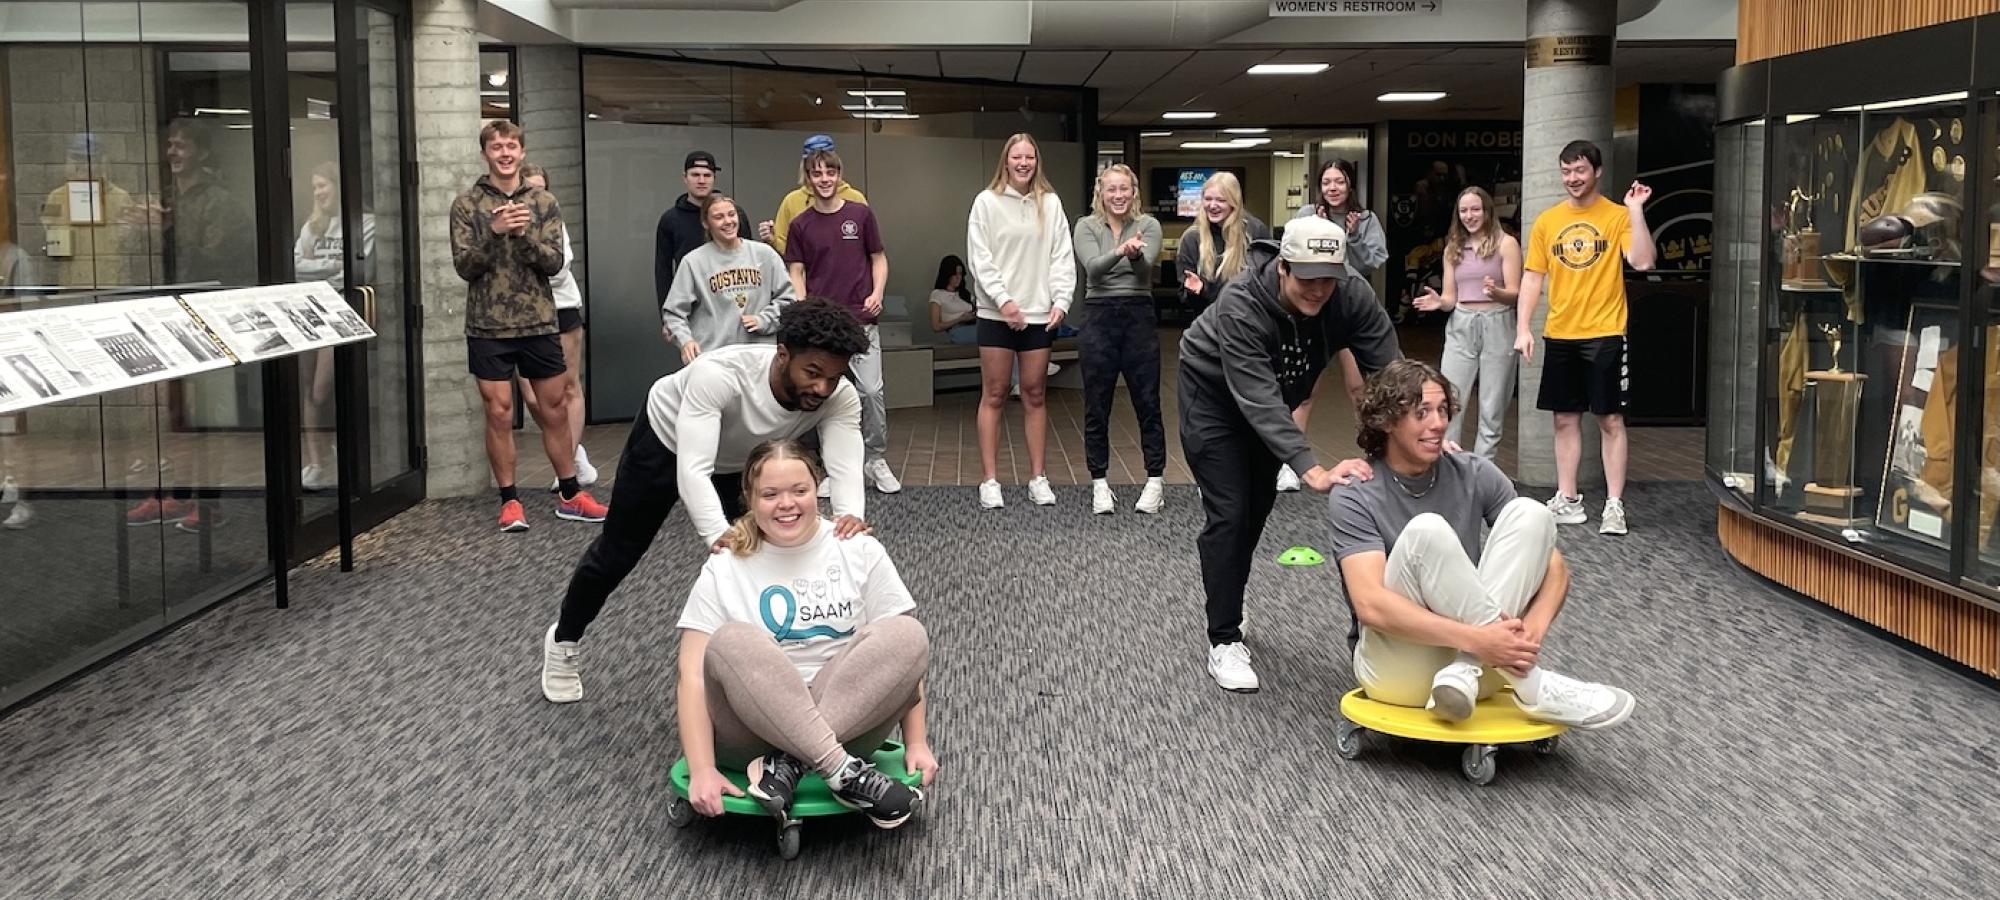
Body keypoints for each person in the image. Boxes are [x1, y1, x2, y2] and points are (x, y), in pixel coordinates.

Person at [540, 299, 873, 703]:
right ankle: (563, 640)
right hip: (667, 443)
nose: (822, 388)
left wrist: (850, 515)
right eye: (813, 373)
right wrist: (719, 534)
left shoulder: (838, 397)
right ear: (783, 354)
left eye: (833, 377)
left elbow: (845, 466)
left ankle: (787, 662)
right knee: (619, 551)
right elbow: (693, 470)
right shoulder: (718, 376)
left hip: (739, 460)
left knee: (776, 553)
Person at [1328, 359, 1635, 729]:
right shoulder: (1355, 493)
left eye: (1442, 410)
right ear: (1388, 421)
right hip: (1397, 672)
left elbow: (1555, 569)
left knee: (1531, 513)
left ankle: (1480, 670)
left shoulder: (1473, 471)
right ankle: (1533, 685)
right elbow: (1370, 606)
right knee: (1428, 531)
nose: (1438, 423)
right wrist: (1479, 638)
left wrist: (1520, 646)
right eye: (1422, 412)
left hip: (1479, 672)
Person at [1178, 216, 1398, 693]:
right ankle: (1224, 638)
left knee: (1256, 507)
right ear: (1282, 268)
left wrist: (1423, 426)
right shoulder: (1241, 304)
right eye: (1307, 278)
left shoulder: (1352, 294)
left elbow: (1391, 373)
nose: (1319, 290)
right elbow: (1256, 395)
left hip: (1273, 400)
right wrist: (1311, 468)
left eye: (1329, 279)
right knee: (1231, 512)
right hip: (1213, 399)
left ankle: (1228, 591)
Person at [675, 439, 932, 830]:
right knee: (732, 641)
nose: (787, 504)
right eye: (771, 494)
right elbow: (691, 674)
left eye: (799, 490)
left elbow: (904, 667)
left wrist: (916, 743)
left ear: (818, 489)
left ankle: (789, 766)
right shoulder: (725, 565)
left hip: (848, 723)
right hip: (750, 737)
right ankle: (842, 772)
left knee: (908, 634)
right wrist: (702, 768)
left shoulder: (858, 548)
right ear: (750, 498)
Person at [449, 119, 607, 532]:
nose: (504, 153)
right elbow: (465, 266)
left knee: (553, 411)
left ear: (521, 152)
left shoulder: (543, 202)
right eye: (496, 146)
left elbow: (555, 262)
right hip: (487, 326)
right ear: (485, 153)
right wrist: (494, 232)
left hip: (539, 321)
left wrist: (521, 236)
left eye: (511, 146)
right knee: (498, 413)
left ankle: (571, 493)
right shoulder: (466, 205)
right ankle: (510, 501)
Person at [1513, 140, 1656, 536]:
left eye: (1579, 171)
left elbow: (1643, 261)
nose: (1572, 179)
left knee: (1610, 419)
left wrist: (1636, 212)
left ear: (1597, 172)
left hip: (1606, 331)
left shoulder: (1616, 216)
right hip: (1560, 332)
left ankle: (1614, 505)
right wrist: (1523, 328)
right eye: (1566, 171)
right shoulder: (1547, 221)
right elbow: (1532, 277)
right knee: (1564, 419)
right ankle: (1569, 498)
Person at [966, 133, 1077, 510]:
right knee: (995, 394)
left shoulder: (1051, 203)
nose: (1024, 162)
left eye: (1030, 156)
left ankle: (1038, 478)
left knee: (1034, 394)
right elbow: (980, 259)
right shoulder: (986, 202)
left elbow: (1062, 255)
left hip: (1038, 315)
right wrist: (1004, 301)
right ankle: (990, 481)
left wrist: (1061, 299)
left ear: (1037, 161)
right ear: (1006, 160)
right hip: (996, 314)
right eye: (1017, 156)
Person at [783, 148, 900, 495]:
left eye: (829, 173)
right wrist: (802, 304)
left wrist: (878, 291)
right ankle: (833, 468)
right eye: (817, 174)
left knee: (870, 390)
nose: (824, 180)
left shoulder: (860, 215)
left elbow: (878, 258)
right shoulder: (800, 224)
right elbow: (796, 270)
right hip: (821, 326)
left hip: (861, 319)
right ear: (808, 178)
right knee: (824, 394)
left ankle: (876, 458)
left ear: (839, 176)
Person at [1281, 159, 1388, 492]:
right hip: (1312, 310)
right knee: (1304, 390)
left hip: (1348, 311)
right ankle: (1290, 463)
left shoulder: (1366, 219)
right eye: (1326, 182)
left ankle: (1372, 454)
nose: (1332, 188)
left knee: (1361, 389)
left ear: (1349, 184)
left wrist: (1351, 238)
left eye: (1339, 182)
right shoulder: (1306, 216)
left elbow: (1373, 260)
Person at [1071, 163, 1165, 516]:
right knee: (1097, 403)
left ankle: (1155, 480)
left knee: (1147, 401)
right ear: (1101, 192)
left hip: (1138, 315)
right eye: (1111, 189)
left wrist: (1136, 255)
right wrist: (1122, 251)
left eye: (1124, 188)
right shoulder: (1086, 225)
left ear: (1133, 191)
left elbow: (1144, 273)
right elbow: (1093, 269)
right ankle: (1100, 483)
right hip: (1099, 316)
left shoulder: (1149, 225)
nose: (1118, 195)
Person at [1412, 186, 1523, 459]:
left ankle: (1484, 467)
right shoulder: (1453, 247)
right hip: (1462, 322)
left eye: (1475, 209)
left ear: (1487, 211)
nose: (1469, 216)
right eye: (1463, 210)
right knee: (1450, 398)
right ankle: (1449, 462)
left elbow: (1515, 293)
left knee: (1492, 403)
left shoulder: (1506, 243)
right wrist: (1440, 303)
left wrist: (1496, 293)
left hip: (1497, 322)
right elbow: (1451, 297)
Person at [293, 162, 377, 492]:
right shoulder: (311, 226)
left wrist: (317, 266)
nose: (318, 192)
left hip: (342, 312)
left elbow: (353, 273)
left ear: (339, 187)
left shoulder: (364, 224)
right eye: (314, 187)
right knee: (307, 389)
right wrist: (326, 266)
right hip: (308, 309)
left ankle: (339, 451)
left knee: (322, 388)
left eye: (323, 185)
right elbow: (295, 267)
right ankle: (315, 462)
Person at [513, 164, 595, 492]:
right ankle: (572, 454)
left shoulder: (552, 219)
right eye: (528, 188)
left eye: (540, 188)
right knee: (532, 394)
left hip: (560, 309)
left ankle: (570, 466)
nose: (535, 194)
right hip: (520, 316)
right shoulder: (507, 220)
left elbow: (559, 268)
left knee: (566, 389)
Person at [663, 193, 795, 364]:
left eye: (731, 215)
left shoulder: (765, 255)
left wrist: (764, 320)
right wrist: (685, 341)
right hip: (713, 360)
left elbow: (789, 300)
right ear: (706, 223)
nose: (728, 221)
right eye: (719, 217)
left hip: (759, 358)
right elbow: (673, 313)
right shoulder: (693, 262)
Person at [759, 134, 867, 255]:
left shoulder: (855, 199)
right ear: (806, 171)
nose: (824, 179)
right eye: (816, 172)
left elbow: (870, 247)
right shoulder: (792, 200)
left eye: (829, 170)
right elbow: (790, 251)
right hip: (808, 273)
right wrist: (772, 240)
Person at [1175, 171, 1269, 311]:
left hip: (1247, 318)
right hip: (1207, 320)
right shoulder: (1192, 238)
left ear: (1234, 202)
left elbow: (1265, 284)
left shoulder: (1254, 232)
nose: (1212, 206)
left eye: (1220, 200)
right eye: (1208, 199)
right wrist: (1197, 290)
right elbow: (1185, 297)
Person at [654, 150, 720, 304]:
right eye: (695, 175)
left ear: (714, 179)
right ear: (685, 178)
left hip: (729, 300)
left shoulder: (730, 215)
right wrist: (667, 315)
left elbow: (747, 259)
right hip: (689, 302)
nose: (701, 180)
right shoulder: (670, 220)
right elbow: (663, 272)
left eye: (707, 175)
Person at [928, 255, 978, 345]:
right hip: (957, 330)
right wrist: (960, 319)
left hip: (974, 326)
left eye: (960, 274)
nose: (959, 277)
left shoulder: (964, 293)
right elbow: (936, 326)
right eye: (955, 274)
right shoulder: (938, 294)